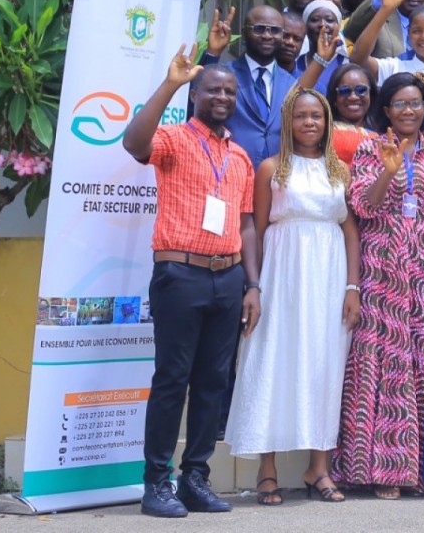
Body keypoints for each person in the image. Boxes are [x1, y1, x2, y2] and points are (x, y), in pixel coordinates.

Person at [122, 48, 259, 518]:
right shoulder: (175, 139)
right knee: (172, 379)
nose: (222, 97)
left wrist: (252, 285)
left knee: (213, 382)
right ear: (195, 95)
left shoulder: (239, 156)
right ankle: (156, 483)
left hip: (229, 277)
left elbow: (246, 225)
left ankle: (195, 478)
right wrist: (171, 84)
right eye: (213, 89)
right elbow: (134, 143)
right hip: (180, 274)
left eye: (229, 91)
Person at [225, 89, 358, 505]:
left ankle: (318, 467)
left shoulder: (341, 171)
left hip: (329, 278)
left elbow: (350, 231)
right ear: (288, 122)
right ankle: (266, 469)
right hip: (281, 277)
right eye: (301, 115)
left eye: (316, 115)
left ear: (327, 121)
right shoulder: (271, 169)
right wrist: (254, 286)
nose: (309, 122)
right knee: (272, 361)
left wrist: (352, 287)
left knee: (324, 366)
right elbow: (258, 230)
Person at [333, 72, 424, 498]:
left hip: (422, 271)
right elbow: (362, 206)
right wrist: (389, 170)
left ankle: (409, 470)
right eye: (400, 103)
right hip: (380, 268)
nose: (409, 111)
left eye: (415, 103)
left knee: (414, 362)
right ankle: (375, 469)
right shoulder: (370, 149)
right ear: (386, 110)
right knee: (378, 363)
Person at [199, 6, 297, 169]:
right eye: (259, 29)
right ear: (244, 33)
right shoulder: (225, 74)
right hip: (228, 172)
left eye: (274, 30)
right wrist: (212, 54)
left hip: (278, 177)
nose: (267, 35)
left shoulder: (291, 84)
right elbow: (197, 105)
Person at [293, 0, 348, 95]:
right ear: (305, 26)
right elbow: (292, 98)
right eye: (315, 20)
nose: (322, 24)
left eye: (329, 20)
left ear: (338, 26)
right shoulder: (296, 62)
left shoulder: (343, 63)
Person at [325, 63, 376, 165]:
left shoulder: (382, 135)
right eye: (344, 91)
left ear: (371, 95)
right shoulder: (324, 133)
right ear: (334, 98)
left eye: (361, 90)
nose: (353, 97)